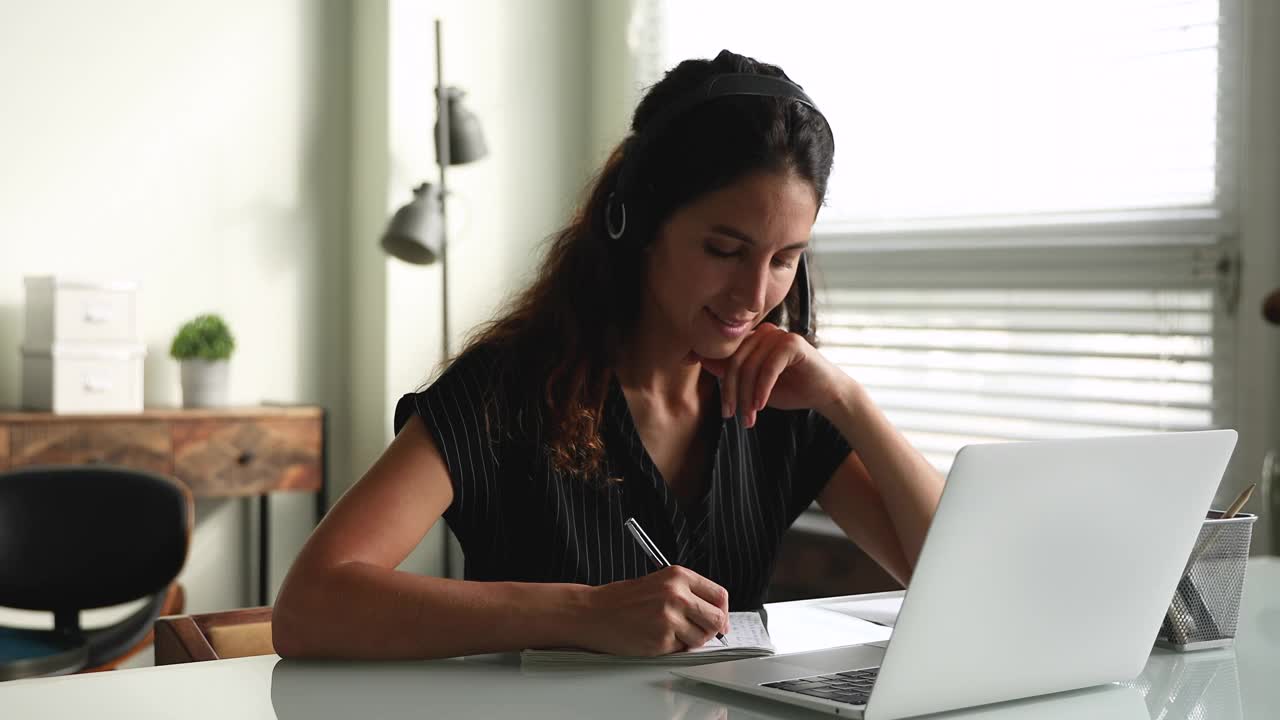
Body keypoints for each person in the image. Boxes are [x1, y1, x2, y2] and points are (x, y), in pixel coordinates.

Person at [273, 50, 943, 660]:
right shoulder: (509, 388)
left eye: (785, 259)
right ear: (639, 224)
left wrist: (847, 402)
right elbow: (310, 606)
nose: (754, 294)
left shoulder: (781, 398)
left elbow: (955, 575)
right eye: (723, 250)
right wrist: (580, 611)